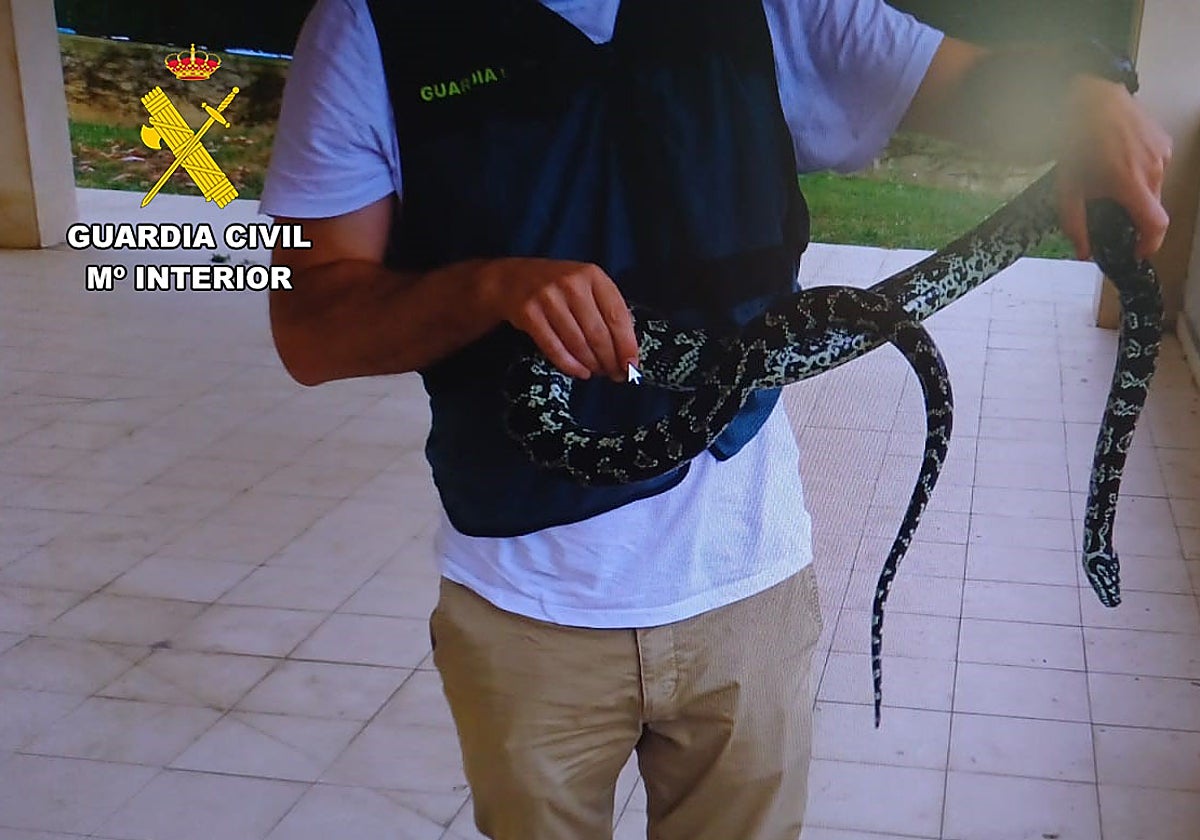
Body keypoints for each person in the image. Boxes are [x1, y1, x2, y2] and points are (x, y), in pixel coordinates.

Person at [261, 2, 1171, 838]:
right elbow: (309, 325)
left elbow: (975, 84)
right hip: (524, 607)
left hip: (748, 593)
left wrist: (1086, 87)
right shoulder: (371, 27)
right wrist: (490, 288)